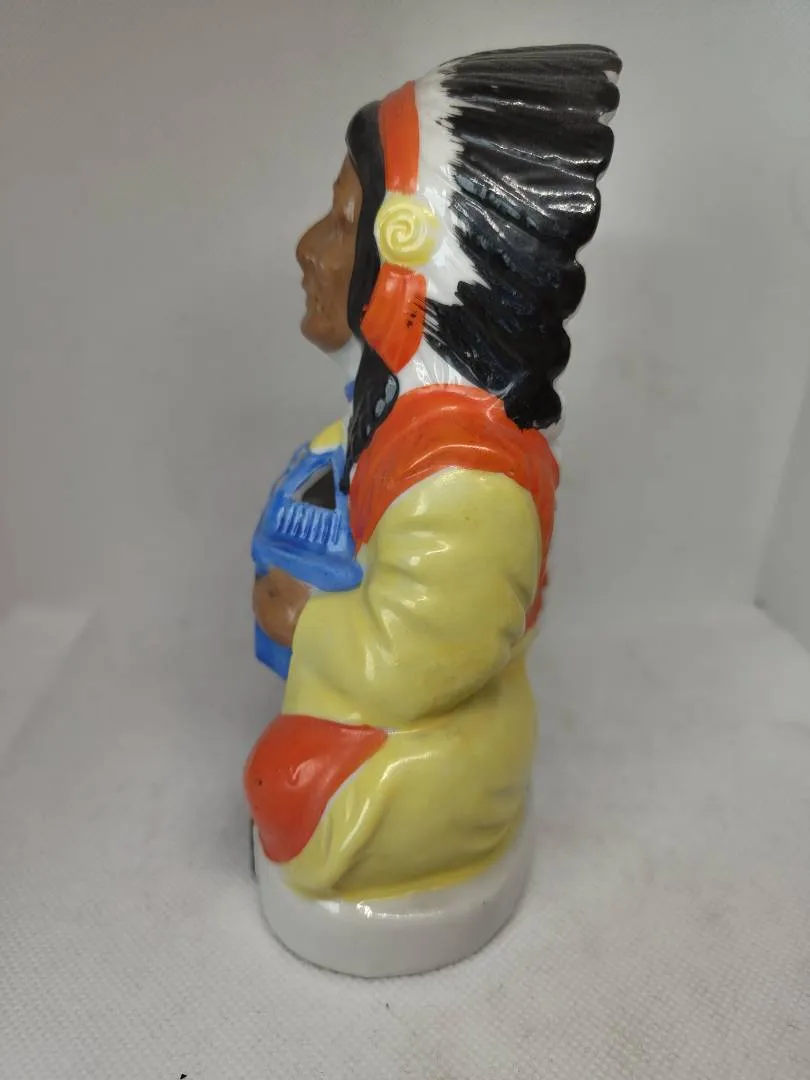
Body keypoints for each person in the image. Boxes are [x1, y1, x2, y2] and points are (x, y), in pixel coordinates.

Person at [246, 46, 619, 915]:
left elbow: (423, 661)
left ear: (406, 251)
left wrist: (305, 620)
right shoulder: (400, 423)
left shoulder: (461, 482)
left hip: (439, 744)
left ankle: (413, 847)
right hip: (394, 698)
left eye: (343, 222)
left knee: (287, 789)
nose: (310, 248)